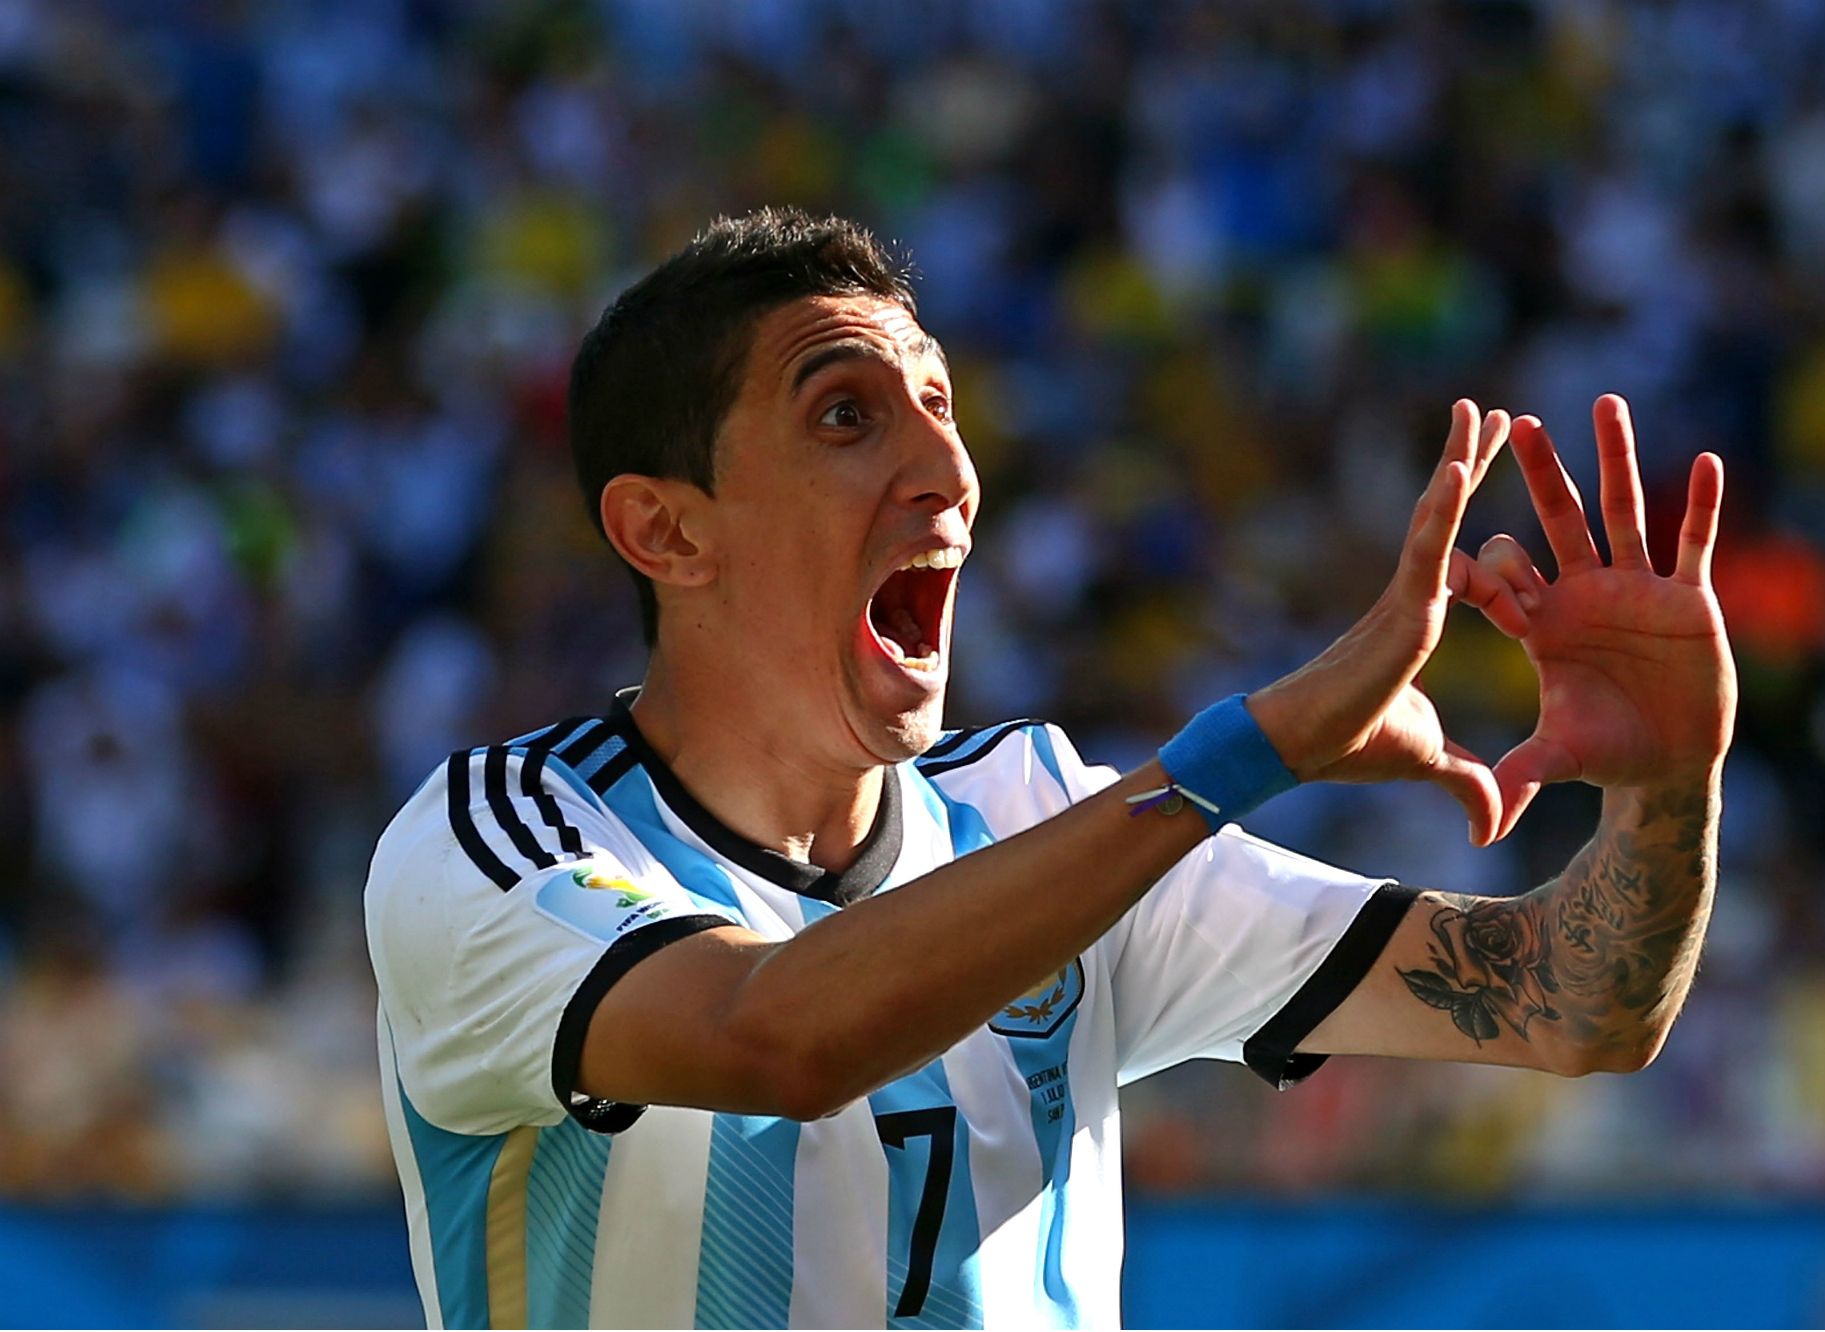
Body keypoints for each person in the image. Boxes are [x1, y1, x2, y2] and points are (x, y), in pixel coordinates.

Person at [364, 208, 1735, 1329]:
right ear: (667, 532)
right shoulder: (499, 842)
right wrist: (1241, 759)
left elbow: (1575, 1002)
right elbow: (769, 1037)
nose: (951, 468)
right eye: (847, 416)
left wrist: (1668, 779)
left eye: (943, 407)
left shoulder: (1046, 820)